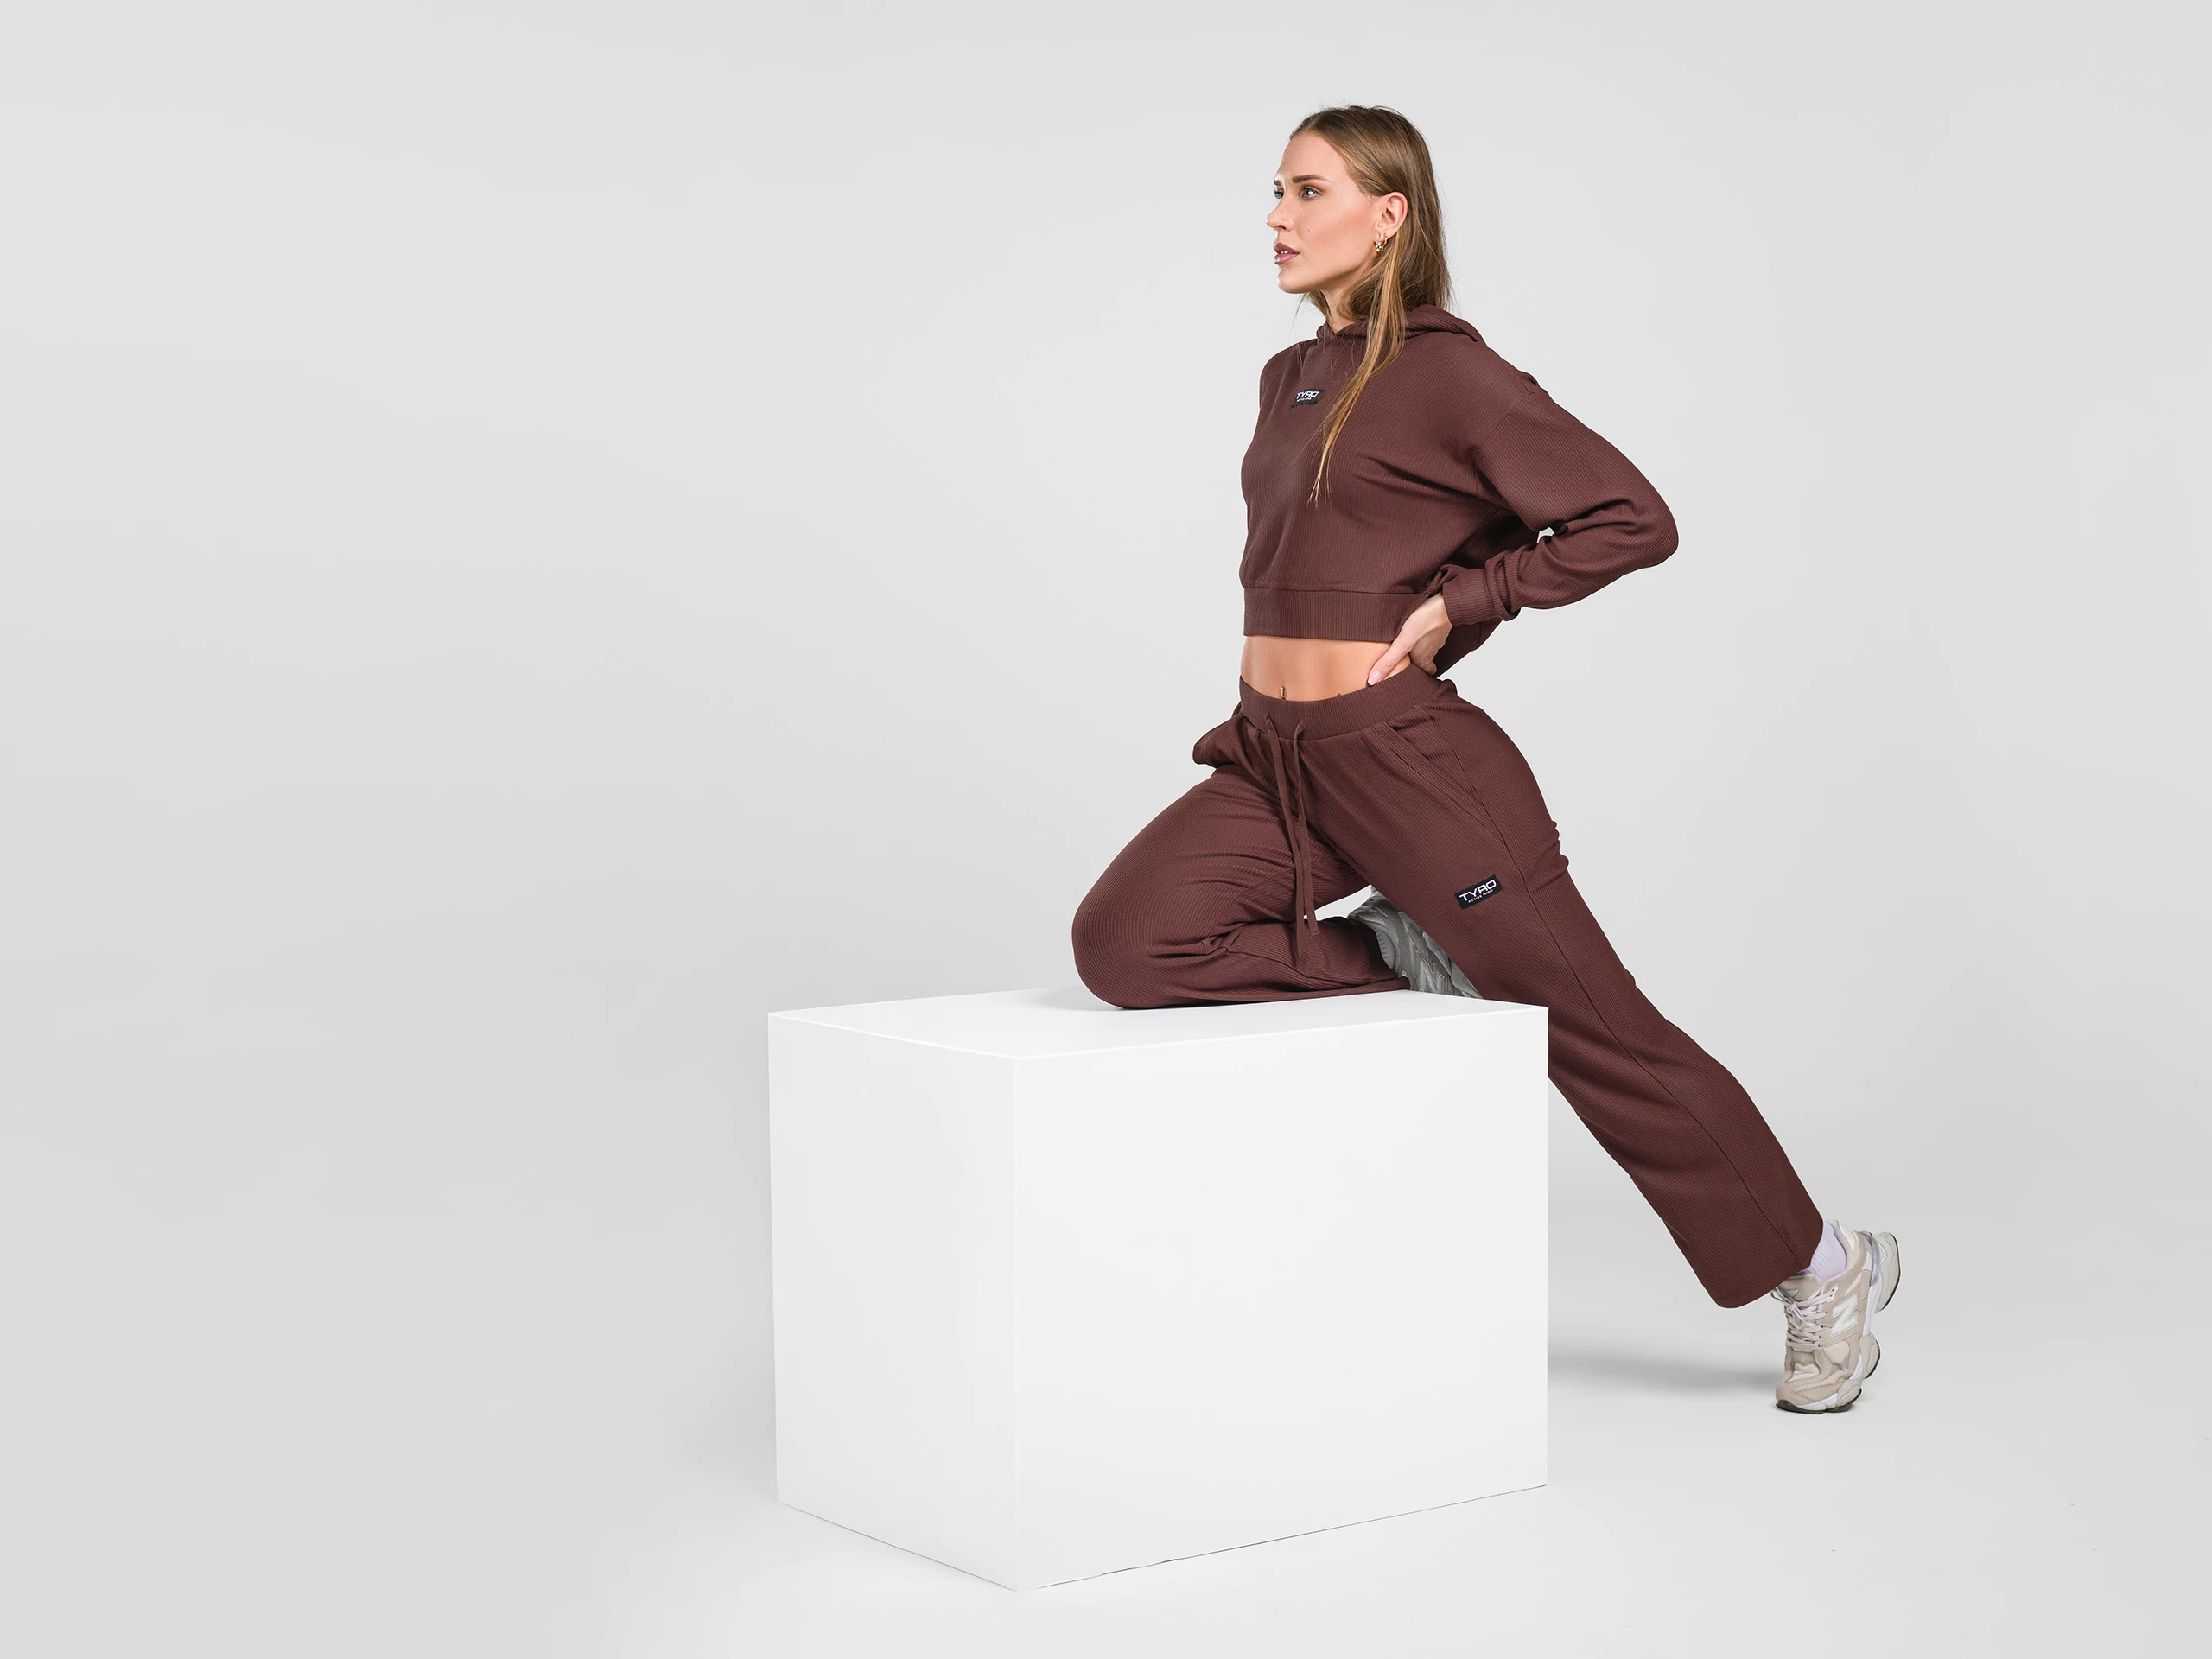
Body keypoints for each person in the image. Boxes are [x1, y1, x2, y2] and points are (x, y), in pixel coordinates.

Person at [1070, 105, 1901, 1414]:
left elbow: (1631, 517)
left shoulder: (1449, 373)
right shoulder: (1287, 378)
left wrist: (1470, 602)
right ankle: (1404, 952)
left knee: (1595, 1030)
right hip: (1277, 757)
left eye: (1308, 190)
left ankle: (1822, 1265)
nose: (1277, 216)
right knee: (1130, 942)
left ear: (1388, 213)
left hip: (1409, 767)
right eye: (1275, 191)